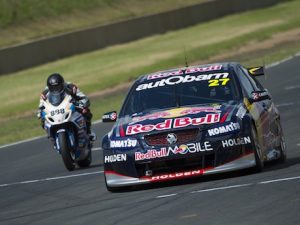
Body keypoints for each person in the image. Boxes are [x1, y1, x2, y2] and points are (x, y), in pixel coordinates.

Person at [37, 73, 96, 140]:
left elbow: (84, 99)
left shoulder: (71, 87)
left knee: (86, 111)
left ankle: (88, 132)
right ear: (49, 87)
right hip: (55, 110)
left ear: (62, 84)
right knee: (43, 119)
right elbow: (41, 105)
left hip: (71, 107)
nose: (55, 90)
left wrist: (82, 104)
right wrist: (39, 112)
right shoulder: (45, 93)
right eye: (53, 88)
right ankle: (51, 136)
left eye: (57, 87)